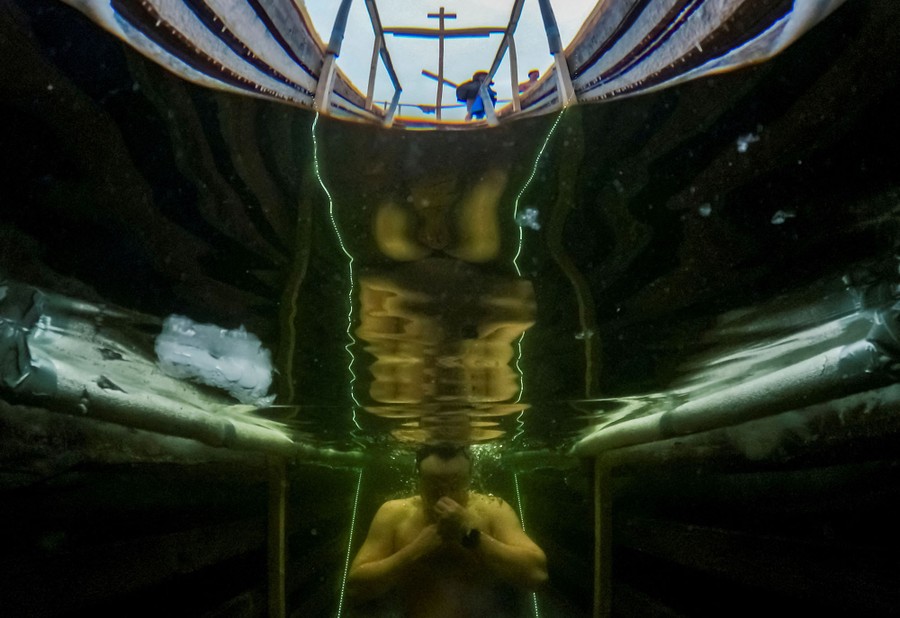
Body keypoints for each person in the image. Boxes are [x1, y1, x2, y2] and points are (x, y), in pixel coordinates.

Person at [347, 444, 548, 617]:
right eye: (434, 484)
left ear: (470, 478)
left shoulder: (492, 510)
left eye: (455, 483)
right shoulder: (394, 514)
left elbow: (537, 575)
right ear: (419, 477)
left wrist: (472, 535)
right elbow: (356, 587)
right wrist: (413, 551)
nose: (445, 493)